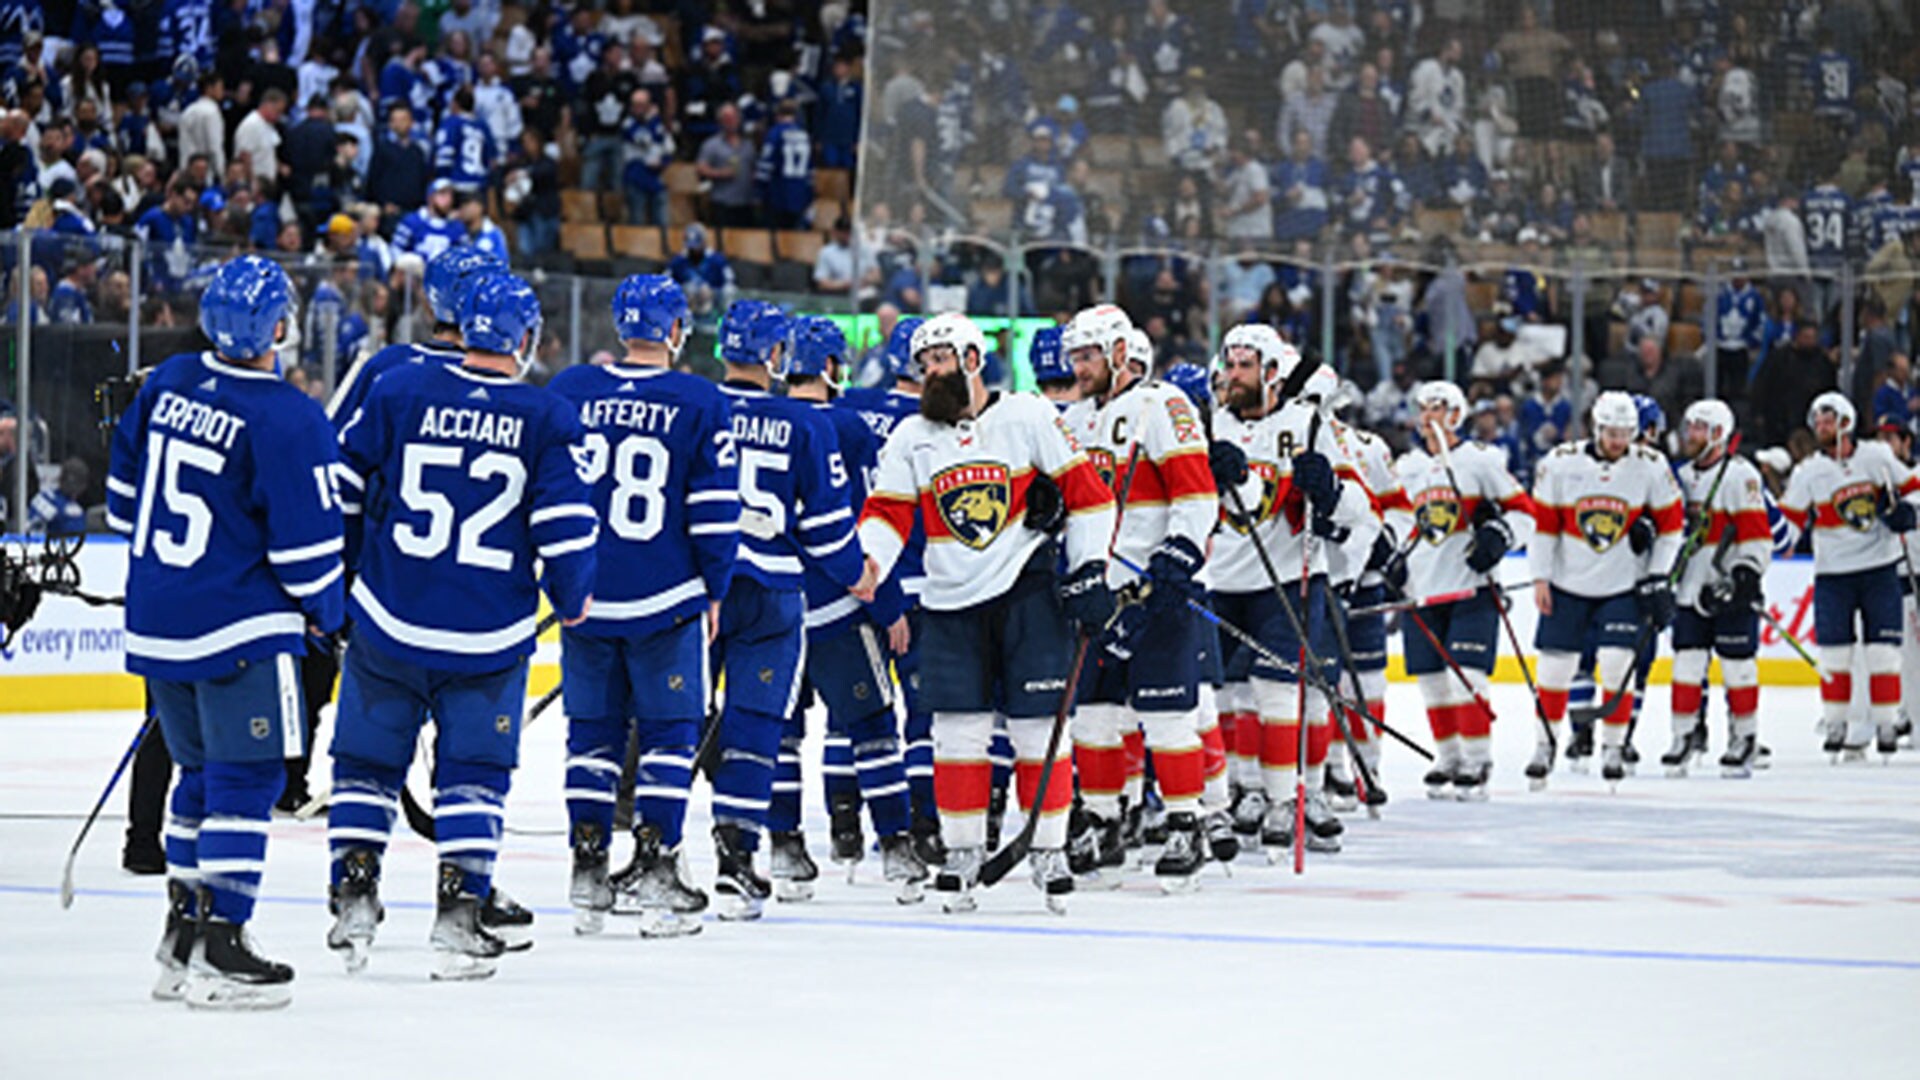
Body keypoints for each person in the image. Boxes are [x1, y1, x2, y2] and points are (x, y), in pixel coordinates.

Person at [325, 271, 597, 981]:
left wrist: (345, 581)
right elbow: (566, 532)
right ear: (526, 339)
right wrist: (572, 599)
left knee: (366, 764)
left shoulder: (396, 388)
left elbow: (340, 490)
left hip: (388, 618)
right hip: (486, 635)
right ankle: (458, 915)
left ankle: (354, 896)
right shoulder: (545, 417)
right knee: (474, 776)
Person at [106, 255, 345, 1009]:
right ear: (277, 326)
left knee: (199, 777)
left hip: (158, 623)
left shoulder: (167, 382)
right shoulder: (289, 414)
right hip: (240, 628)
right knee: (248, 780)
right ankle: (224, 940)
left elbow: (120, 506)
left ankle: (181, 936)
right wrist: (332, 617)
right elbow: (308, 557)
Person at [857, 312, 1116, 913]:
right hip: (949, 601)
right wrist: (868, 566)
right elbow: (886, 515)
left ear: (972, 360)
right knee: (957, 734)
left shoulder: (1026, 415)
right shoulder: (912, 436)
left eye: (940, 361)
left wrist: (1089, 569)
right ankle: (963, 850)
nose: (930, 374)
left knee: (1037, 729)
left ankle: (1048, 849)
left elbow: (1089, 495)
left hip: (1027, 590)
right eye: (923, 366)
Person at [545, 275, 735, 938]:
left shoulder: (571, 389)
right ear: (676, 331)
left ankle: (588, 871)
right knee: (668, 736)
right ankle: (657, 866)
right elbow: (714, 514)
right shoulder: (699, 398)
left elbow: (546, 492)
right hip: (668, 596)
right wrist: (717, 586)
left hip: (588, 596)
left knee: (591, 736)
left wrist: (557, 580)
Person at [709, 299, 874, 920]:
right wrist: (861, 576)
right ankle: (736, 859)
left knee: (674, 724)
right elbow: (830, 535)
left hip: (700, 591)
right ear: (776, 355)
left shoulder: (699, 405)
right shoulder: (805, 426)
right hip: (773, 592)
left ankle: (652, 857)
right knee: (757, 724)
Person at [1058, 306, 1220, 887]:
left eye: (1088, 355)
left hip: (1156, 587)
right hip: (1099, 593)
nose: (1079, 367)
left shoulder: (1162, 405)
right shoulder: (1072, 420)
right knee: (1095, 719)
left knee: (1166, 714)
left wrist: (1180, 552)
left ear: (1120, 354)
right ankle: (1103, 821)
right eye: (1073, 357)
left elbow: (1196, 491)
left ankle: (1186, 821)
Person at [770, 317, 927, 902]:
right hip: (835, 608)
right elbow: (867, 525)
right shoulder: (847, 427)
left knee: (780, 734)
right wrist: (887, 604)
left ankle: (783, 850)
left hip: (769, 608)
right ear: (833, 366)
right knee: (873, 728)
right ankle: (897, 849)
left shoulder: (752, 420)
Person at [1207, 325, 1374, 853]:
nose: (1233, 376)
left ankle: (1289, 799)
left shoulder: (1307, 423)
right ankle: (1244, 790)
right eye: (1229, 365)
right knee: (1223, 695)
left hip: (1288, 576)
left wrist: (1327, 492)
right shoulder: (1211, 424)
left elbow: (1357, 511)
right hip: (1222, 578)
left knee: (1279, 690)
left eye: (1244, 366)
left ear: (1272, 373)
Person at [1527, 391, 1684, 788]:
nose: (1619, 442)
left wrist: (1656, 575)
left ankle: (1613, 747)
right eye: (1612, 433)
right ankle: (1544, 745)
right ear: (1596, 428)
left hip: (1622, 587)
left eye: (1626, 434)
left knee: (1617, 665)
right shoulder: (1559, 464)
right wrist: (1540, 577)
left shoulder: (1651, 465)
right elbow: (1544, 527)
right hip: (1566, 584)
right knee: (1554, 670)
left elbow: (1671, 528)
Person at [1391, 381, 1535, 798]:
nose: (1428, 416)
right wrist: (1392, 558)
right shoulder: (1408, 467)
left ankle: (1477, 758)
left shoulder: (1481, 462)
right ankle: (1449, 755)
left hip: (1471, 588)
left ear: (1456, 414)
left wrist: (1499, 535)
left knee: (1467, 678)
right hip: (1421, 590)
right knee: (1432, 683)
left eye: (1437, 407)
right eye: (1423, 408)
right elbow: (1397, 521)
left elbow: (1525, 513)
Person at [836, 317, 942, 862]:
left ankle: (844, 824)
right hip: (925, 585)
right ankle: (923, 824)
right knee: (925, 714)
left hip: (857, 580)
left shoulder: (851, 410)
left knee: (851, 713)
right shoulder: (940, 425)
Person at [1777, 393, 1919, 759]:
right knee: (1838, 655)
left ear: (1846, 421)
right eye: (1818, 420)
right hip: (1833, 574)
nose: (1822, 426)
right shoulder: (1808, 472)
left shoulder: (1876, 457)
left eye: (1829, 419)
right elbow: (1786, 530)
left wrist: (1907, 512)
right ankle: (1839, 721)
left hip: (1880, 568)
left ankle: (1887, 722)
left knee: (1883, 653)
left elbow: (1911, 491)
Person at [1666, 401, 1770, 778]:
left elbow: (1757, 535)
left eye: (1698, 428)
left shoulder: (1740, 476)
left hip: (1727, 590)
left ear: (1716, 434)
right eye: (1689, 426)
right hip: (1690, 590)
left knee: (1738, 666)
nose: (1689, 434)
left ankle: (1744, 737)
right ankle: (1683, 735)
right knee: (1686, 663)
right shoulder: (1679, 476)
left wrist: (1746, 575)